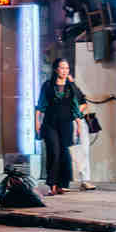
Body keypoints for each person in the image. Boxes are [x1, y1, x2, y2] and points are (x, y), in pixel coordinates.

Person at [35, 57, 86, 197]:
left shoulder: (70, 87)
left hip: (66, 124)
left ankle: (62, 185)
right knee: (54, 152)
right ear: (56, 69)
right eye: (62, 68)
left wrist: (79, 124)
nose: (64, 71)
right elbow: (40, 105)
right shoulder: (47, 86)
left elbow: (75, 107)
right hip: (50, 123)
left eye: (67, 68)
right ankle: (52, 184)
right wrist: (37, 122)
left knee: (64, 153)